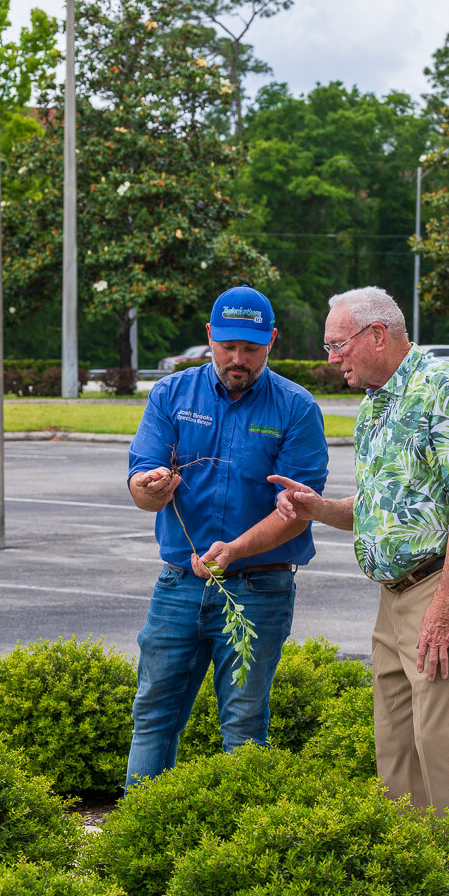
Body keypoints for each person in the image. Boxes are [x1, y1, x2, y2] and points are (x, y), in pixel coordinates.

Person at [270, 286, 449, 812]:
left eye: (336, 345)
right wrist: (315, 508)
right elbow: (381, 508)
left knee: (443, 745)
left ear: (376, 335)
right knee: (395, 749)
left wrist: (443, 608)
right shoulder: (375, 404)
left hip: (441, 588)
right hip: (392, 597)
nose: (331, 359)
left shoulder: (442, 386)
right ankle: (414, 880)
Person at [124, 285, 329, 791]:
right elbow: (140, 486)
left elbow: (297, 512)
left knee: (242, 726)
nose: (238, 360)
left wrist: (234, 551)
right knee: (153, 712)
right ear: (210, 336)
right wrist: (150, 487)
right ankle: (138, 831)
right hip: (178, 586)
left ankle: (236, 849)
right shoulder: (171, 394)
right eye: (228, 347)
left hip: (258, 589)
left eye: (252, 349)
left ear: (272, 341)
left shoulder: (296, 408)